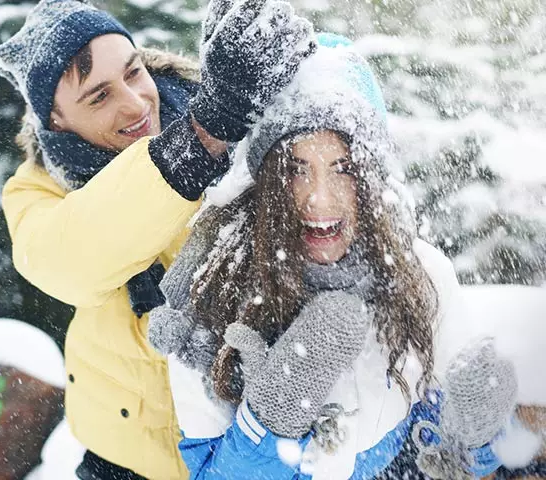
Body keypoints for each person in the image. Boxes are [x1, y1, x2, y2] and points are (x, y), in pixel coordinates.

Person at [148, 33, 518, 479]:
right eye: (294, 169)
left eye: (343, 168)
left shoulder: (419, 272)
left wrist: (473, 438)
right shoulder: (211, 296)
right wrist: (269, 423)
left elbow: (428, 450)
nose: (318, 199)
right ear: (262, 181)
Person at [0, 0, 316, 477]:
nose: (136, 102)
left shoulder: (228, 108)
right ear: (54, 120)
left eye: (133, 72)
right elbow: (70, 262)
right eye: (99, 97)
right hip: (127, 459)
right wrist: (200, 140)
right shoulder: (39, 186)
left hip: (254, 445)